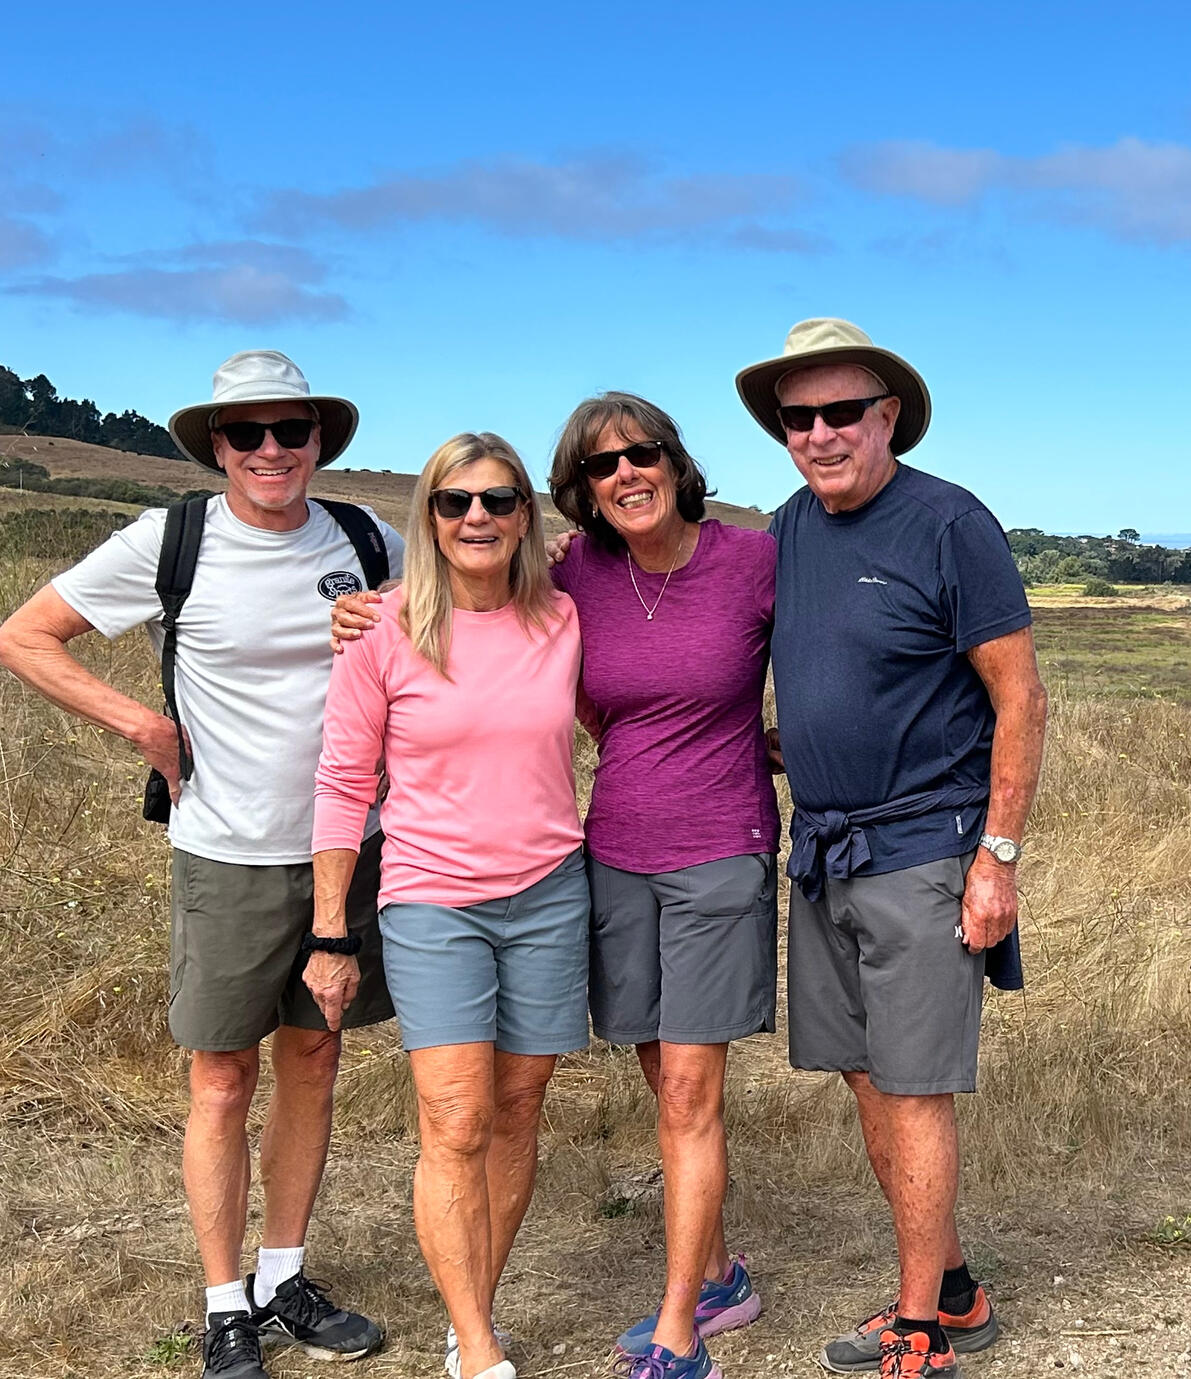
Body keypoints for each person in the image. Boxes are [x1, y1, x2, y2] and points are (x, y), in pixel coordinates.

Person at [333, 395, 778, 1379]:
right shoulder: (577, 577)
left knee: (683, 1092)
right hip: (606, 855)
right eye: (599, 465)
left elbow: (841, 658)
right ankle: (709, 1269)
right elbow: (487, 634)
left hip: (706, 853)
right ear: (577, 493)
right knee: (653, 1078)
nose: (625, 473)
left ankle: (680, 1324)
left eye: (641, 453)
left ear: (673, 458)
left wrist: (814, 751)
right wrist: (365, 608)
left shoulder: (748, 561)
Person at [0, 351, 400, 1378]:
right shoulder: (170, 540)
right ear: (216, 446)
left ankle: (283, 1275)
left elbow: (459, 627)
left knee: (313, 1059)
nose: (271, 450)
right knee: (221, 1076)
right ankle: (225, 1302)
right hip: (223, 851)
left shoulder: (368, 539)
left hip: (349, 850)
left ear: (318, 439)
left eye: (291, 430)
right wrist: (141, 722)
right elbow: (27, 635)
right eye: (247, 433)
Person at [735, 319, 1049, 1379]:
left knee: (912, 1086)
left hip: (927, 849)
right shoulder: (784, 528)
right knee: (867, 1077)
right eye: (798, 417)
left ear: (887, 418)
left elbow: (1018, 696)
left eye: (840, 413)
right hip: (823, 853)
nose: (819, 434)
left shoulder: (948, 523)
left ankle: (915, 1324)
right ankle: (953, 1290)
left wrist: (996, 855)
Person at [311, 432, 588, 1379]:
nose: (477, 517)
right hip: (433, 900)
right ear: (427, 515)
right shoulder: (383, 628)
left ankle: (479, 1305)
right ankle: (474, 1347)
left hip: (552, 891)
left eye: (499, 500)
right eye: (454, 501)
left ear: (525, 516)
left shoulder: (564, 618)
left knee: (519, 1107)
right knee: (456, 1118)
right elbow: (344, 781)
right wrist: (328, 927)